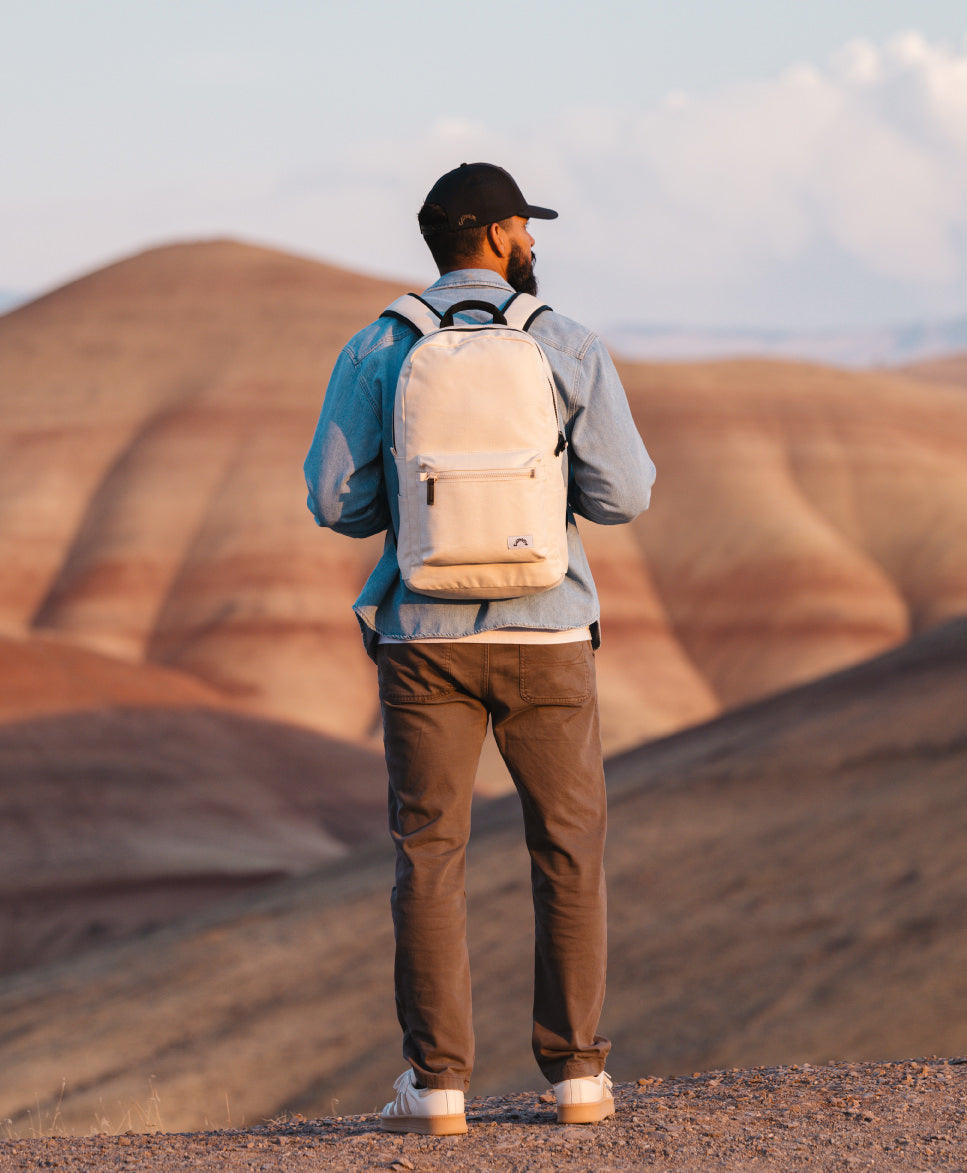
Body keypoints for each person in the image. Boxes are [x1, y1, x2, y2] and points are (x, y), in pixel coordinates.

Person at [304, 162, 656, 1135]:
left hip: (422, 640)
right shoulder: (564, 342)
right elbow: (625, 494)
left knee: (429, 855)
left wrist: (414, 511)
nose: (532, 241)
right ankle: (577, 1078)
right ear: (497, 235)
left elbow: (334, 501)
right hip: (548, 631)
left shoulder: (380, 345)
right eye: (524, 227)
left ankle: (438, 1089)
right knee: (567, 847)